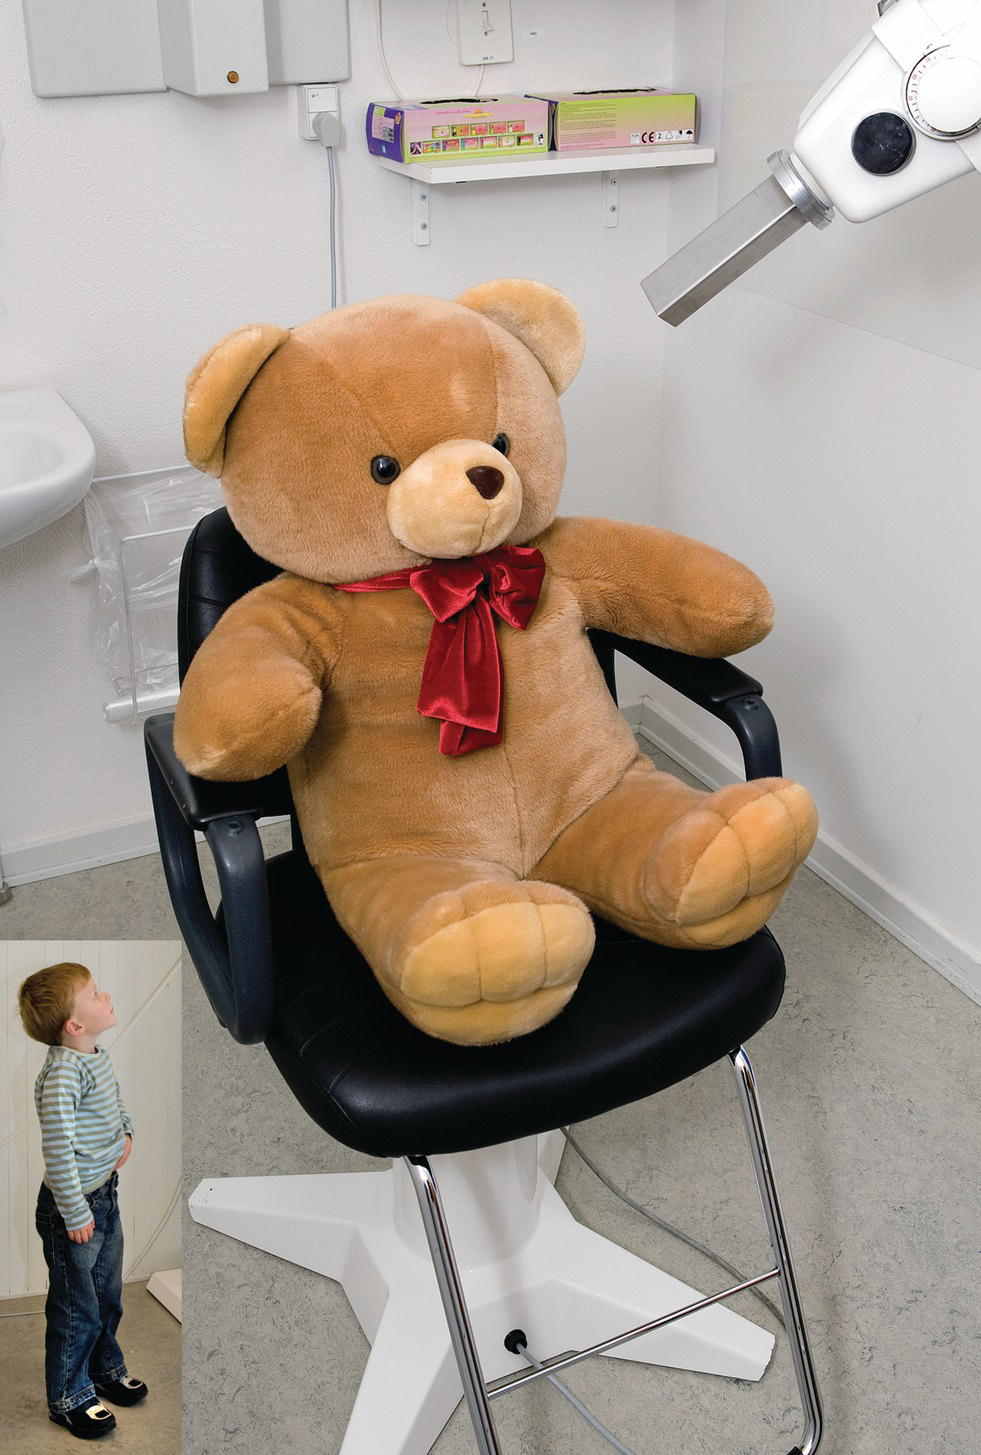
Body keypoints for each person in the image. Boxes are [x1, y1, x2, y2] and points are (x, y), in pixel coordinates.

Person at [18, 961, 148, 1440]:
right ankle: (69, 1395)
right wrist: (74, 1212)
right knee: (77, 1305)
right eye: (95, 994)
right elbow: (57, 1148)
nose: (106, 996)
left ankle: (104, 1369)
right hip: (73, 1209)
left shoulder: (94, 1054)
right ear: (74, 1025)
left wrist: (126, 1132)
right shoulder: (62, 1076)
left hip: (103, 1196)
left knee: (108, 1292)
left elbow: (113, 1101)